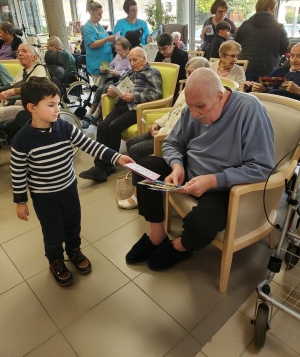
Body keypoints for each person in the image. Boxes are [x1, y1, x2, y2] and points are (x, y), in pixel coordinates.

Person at [125, 68, 274, 270]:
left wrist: (214, 180)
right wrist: (177, 165)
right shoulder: (192, 109)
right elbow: (172, 143)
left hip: (223, 185)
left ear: (220, 96)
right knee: (144, 168)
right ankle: (156, 235)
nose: (194, 114)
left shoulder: (250, 109)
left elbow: (262, 167)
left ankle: (180, 246)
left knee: (202, 224)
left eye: (200, 106)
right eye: (191, 106)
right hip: (188, 171)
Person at [10, 77, 134, 286]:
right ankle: (56, 260)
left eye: (58, 104)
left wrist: (116, 157)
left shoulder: (65, 128)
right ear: (32, 107)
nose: (57, 109)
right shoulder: (22, 140)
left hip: (68, 189)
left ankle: (74, 250)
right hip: (44, 197)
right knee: (52, 229)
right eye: (51, 105)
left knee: (72, 223)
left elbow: (89, 145)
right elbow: (18, 172)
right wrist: (20, 200)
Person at [118, 57, 211, 210]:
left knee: (136, 150)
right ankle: (140, 182)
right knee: (130, 142)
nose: (189, 78)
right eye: (188, 73)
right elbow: (172, 112)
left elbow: (186, 129)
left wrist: (163, 131)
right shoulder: (186, 90)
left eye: (193, 73)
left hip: (169, 136)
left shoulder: (201, 97)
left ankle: (137, 193)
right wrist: (157, 123)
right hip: (163, 129)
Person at [79, 47, 162, 183]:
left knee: (114, 126)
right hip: (122, 105)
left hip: (136, 108)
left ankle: (110, 164)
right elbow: (119, 84)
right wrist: (112, 89)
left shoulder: (152, 72)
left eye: (135, 60)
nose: (132, 63)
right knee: (102, 126)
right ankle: (100, 167)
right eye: (130, 60)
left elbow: (157, 94)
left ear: (144, 59)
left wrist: (134, 96)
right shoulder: (131, 72)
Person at [235, 0, 289, 81]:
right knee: (264, 92)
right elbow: (285, 48)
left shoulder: (245, 25)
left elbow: (235, 44)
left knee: (245, 91)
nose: (274, 12)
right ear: (269, 9)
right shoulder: (279, 27)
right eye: (274, 9)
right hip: (268, 69)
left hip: (245, 69)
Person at [85, 37, 132, 123]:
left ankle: (97, 113)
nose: (118, 53)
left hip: (124, 80)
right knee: (99, 89)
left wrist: (117, 72)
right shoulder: (118, 55)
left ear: (127, 48)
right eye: (116, 50)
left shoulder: (131, 57)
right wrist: (106, 69)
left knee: (106, 89)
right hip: (115, 78)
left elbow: (130, 72)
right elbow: (112, 64)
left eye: (120, 50)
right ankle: (91, 110)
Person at [0, 43, 48, 122]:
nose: (20, 54)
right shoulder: (22, 72)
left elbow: (37, 87)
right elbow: (11, 86)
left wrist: (13, 91)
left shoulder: (39, 68)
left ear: (34, 57)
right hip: (14, 102)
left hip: (30, 106)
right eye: (18, 52)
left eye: (24, 51)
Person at [81, 0, 116, 88]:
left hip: (107, 63)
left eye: (101, 14)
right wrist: (108, 39)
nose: (101, 16)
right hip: (97, 64)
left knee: (109, 89)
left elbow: (103, 41)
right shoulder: (87, 27)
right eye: (98, 14)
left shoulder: (99, 26)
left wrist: (112, 41)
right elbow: (92, 44)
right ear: (91, 12)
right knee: (100, 91)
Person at [154, 33, 189, 102]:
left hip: (175, 84)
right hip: (159, 82)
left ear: (171, 44)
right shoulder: (159, 54)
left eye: (164, 49)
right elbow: (155, 68)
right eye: (159, 49)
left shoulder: (182, 55)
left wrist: (168, 76)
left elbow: (183, 74)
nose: (162, 52)